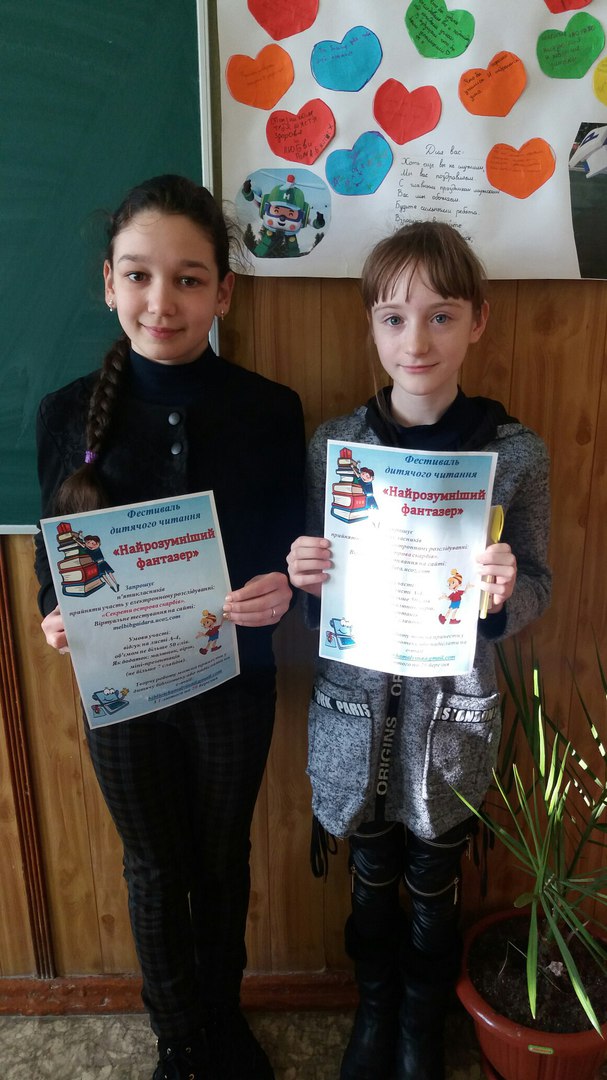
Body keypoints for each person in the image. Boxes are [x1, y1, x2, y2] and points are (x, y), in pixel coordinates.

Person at [35, 175, 306, 1080]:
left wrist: (279, 592)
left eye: (189, 279)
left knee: (221, 861)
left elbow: (289, 552)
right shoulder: (67, 412)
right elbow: (52, 559)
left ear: (222, 292)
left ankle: (222, 1024)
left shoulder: (269, 409)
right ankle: (179, 1040)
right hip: (124, 691)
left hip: (236, 682)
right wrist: (53, 615)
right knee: (153, 868)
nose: (162, 301)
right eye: (139, 276)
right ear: (109, 282)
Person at [286, 221, 551, 1080]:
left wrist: (506, 593)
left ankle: (418, 1026)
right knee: (369, 879)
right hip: (354, 716)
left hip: (449, 724)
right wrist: (304, 575)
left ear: (477, 321)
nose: (417, 341)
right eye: (394, 318)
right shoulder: (336, 448)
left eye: (441, 316)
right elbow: (313, 595)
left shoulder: (513, 455)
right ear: (370, 324)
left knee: (434, 892)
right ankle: (374, 1012)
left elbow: (538, 584)